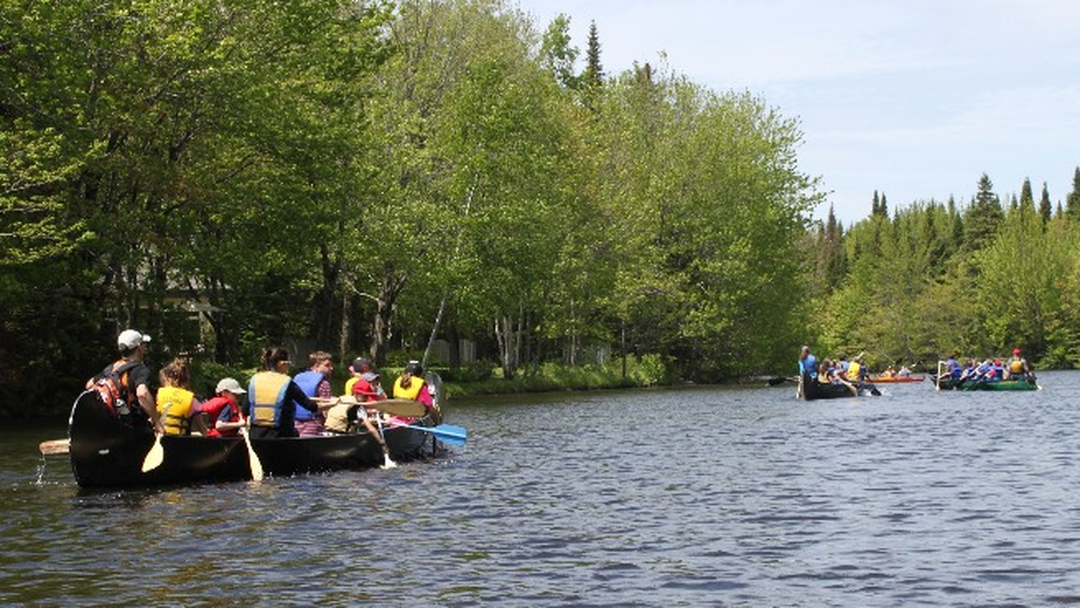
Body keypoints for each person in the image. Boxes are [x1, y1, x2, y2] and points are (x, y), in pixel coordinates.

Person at [86, 329, 162, 433]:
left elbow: (89, 385)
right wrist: (156, 421)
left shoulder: (111, 368)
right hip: (134, 429)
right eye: (144, 345)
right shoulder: (140, 370)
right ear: (139, 347)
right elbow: (142, 393)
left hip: (112, 426)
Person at [247, 346, 324, 439]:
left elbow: (245, 409)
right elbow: (312, 407)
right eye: (288, 363)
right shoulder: (287, 383)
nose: (288, 366)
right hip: (281, 437)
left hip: (256, 437)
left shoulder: (255, 380)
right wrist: (333, 404)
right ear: (281, 364)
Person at [156, 357, 207, 436]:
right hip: (181, 443)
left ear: (168, 379)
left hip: (160, 440)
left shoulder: (159, 394)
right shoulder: (192, 399)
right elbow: (202, 429)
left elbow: (154, 418)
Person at [293, 351, 333, 436]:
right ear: (317, 366)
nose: (331, 368)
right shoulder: (323, 383)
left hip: (294, 424)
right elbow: (326, 409)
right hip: (313, 424)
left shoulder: (297, 378)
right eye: (327, 365)